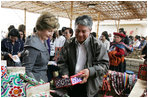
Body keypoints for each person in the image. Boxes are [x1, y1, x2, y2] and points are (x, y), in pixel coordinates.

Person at [58, 15, 109, 97]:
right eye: (77, 31)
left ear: (90, 30)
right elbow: (62, 61)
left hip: (90, 86)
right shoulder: (69, 43)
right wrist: (65, 74)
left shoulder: (98, 45)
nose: (80, 34)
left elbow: (105, 66)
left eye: (84, 31)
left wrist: (90, 71)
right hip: (72, 83)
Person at [22, 12, 59, 82]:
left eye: (53, 32)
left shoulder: (44, 41)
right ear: (41, 28)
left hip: (43, 81)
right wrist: (36, 85)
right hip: (35, 84)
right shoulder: (32, 44)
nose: (51, 34)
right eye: (49, 31)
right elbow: (27, 70)